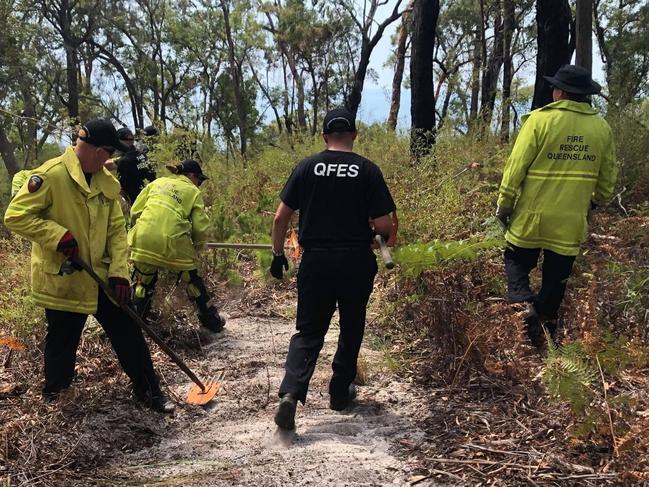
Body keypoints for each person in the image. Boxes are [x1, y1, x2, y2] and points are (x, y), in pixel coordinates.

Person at [4, 119, 174, 413]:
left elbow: (117, 232)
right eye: (108, 153)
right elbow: (16, 216)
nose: (109, 160)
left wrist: (120, 273)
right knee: (62, 340)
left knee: (128, 330)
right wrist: (58, 236)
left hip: (104, 278)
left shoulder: (106, 182)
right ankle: (56, 403)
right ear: (97, 151)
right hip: (65, 278)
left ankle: (151, 393)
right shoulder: (51, 176)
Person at [271, 107, 396, 430]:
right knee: (351, 324)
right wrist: (375, 237)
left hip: (316, 261)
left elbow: (280, 217)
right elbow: (384, 224)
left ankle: (291, 393)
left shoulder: (307, 167)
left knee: (309, 330)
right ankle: (340, 392)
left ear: (325, 137)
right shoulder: (368, 170)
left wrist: (277, 255)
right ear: (353, 135)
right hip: (355, 260)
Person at [496, 65, 617, 347]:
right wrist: (596, 201)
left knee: (515, 261)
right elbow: (607, 178)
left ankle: (522, 308)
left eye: (554, 88)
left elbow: (515, 168)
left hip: (531, 216)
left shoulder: (539, 121)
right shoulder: (601, 127)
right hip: (570, 220)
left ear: (560, 92)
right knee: (556, 278)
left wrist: (504, 203)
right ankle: (544, 328)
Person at [128, 159, 226, 333]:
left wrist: (141, 231)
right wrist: (197, 246)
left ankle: (135, 326)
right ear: (191, 176)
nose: (200, 184)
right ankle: (212, 322)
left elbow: (135, 211)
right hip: (174, 243)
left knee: (143, 283)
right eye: (200, 180)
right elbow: (200, 226)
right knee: (193, 283)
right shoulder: (192, 191)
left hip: (143, 240)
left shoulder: (157, 183)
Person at [108, 127, 157, 205]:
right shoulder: (142, 154)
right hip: (151, 197)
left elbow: (121, 189)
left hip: (137, 203)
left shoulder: (124, 161)